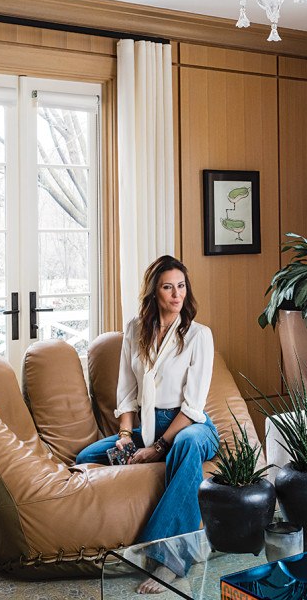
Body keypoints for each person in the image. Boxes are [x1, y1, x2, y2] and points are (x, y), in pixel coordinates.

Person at [75, 254, 219, 593]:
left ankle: (169, 562)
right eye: (168, 287)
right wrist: (126, 437)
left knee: (185, 445)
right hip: (149, 425)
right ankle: (191, 547)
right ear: (154, 292)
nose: (176, 294)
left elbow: (193, 406)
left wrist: (157, 448)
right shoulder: (135, 330)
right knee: (87, 458)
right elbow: (126, 393)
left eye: (181, 286)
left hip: (191, 426)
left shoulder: (200, 336)